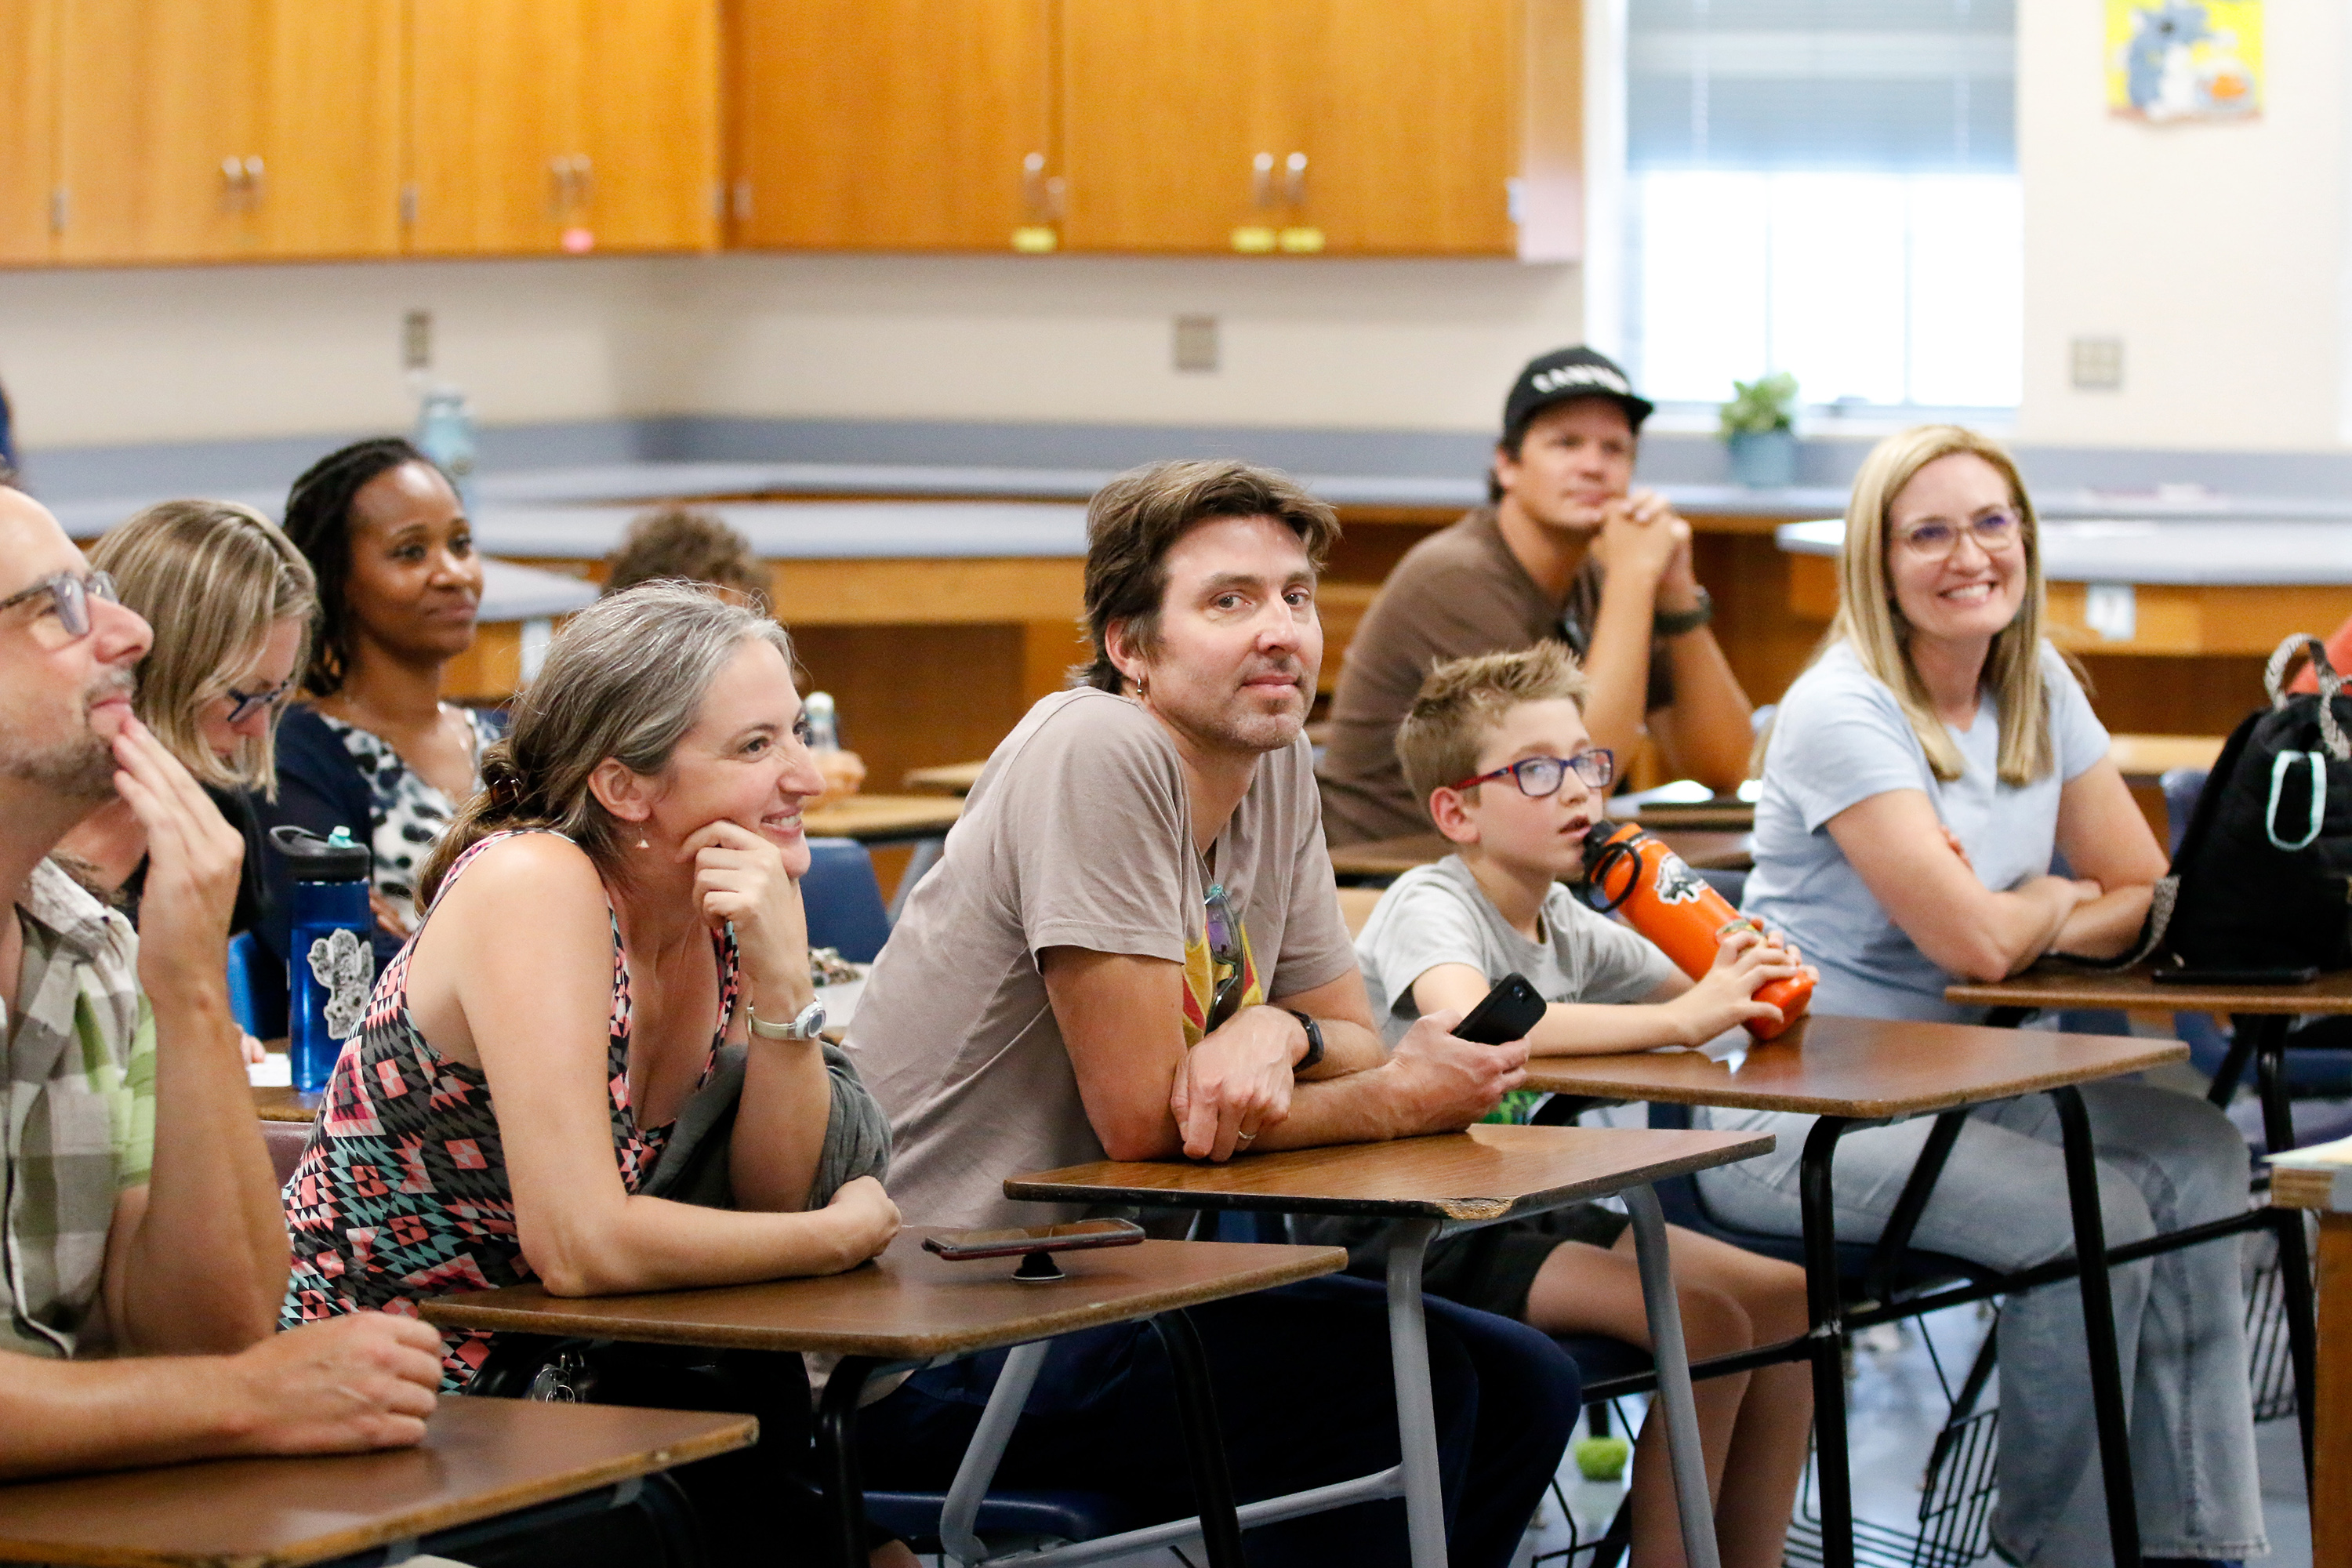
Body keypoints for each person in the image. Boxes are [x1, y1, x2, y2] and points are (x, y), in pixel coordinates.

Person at [848, 459, 1580, 1568]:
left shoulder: (1272, 761)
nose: (1279, 630)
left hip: (1096, 1299)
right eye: (1228, 601)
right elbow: (1151, 1121)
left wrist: (1277, 1029)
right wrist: (1398, 1101)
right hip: (942, 1340)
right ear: (1129, 647)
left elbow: (1350, 1034)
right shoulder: (1098, 748)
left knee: (1529, 1379)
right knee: (1409, 1393)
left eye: (1294, 595)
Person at [1711, 425, 2260, 1568]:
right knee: (2090, 1214)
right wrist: (2055, 898)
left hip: (1971, 1081)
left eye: (1991, 522)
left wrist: (2038, 900)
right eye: (1930, 533)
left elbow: (2143, 891)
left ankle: (2201, 1542)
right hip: (1804, 1110)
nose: (1970, 556)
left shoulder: (2035, 678)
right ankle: (2051, 1549)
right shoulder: (1840, 709)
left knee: (2202, 1152)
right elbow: (1968, 938)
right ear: (1879, 560)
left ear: (2026, 539)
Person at [278, 582, 905, 1563]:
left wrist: (783, 979)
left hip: (584, 1380)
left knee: (860, 1542)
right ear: (624, 786)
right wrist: (832, 1238)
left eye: (794, 734)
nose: (805, 777)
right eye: (755, 745)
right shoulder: (536, 882)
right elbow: (578, 1243)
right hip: (404, 1400)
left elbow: (763, 1195)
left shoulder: (714, 900)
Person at [1304, 642, 1811, 1568]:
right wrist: (1697, 1008)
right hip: (1407, 1226)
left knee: (1785, 1297)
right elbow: (1462, 1017)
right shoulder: (1432, 899)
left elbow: (1697, 998)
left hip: (1514, 1205)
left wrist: (1726, 957)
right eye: (1537, 770)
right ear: (1457, 809)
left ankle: (1752, 1555)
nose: (1579, 790)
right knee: (1708, 1322)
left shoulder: (1568, 918)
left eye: (1588, 761)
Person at [0, 477, 441, 1479]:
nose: (130, 635)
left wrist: (191, 983)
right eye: (58, 606)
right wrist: (246, 1400)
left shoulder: (93, 955)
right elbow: (235, 1374)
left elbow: (210, 1326)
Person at [1319, 346, 1755, 844]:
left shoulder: (1602, 576)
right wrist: (1634, 577)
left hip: (1515, 862)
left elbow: (1727, 765)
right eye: (1566, 443)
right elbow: (1573, 781)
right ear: (1507, 465)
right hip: (1393, 871)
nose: (1594, 466)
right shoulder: (1454, 578)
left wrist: (1676, 591)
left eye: (1614, 449)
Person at [267, 437, 495, 965]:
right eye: (411, 552)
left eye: (461, 544)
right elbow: (345, 956)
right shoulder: (295, 758)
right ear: (339, 581)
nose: (452, 574)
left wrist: (422, 941)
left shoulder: (513, 741)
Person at [56, 501, 314, 953]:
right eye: (242, 696)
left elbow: (204, 1016)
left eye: (273, 696)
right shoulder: (23, 811)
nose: (257, 729)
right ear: (153, 668)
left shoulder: (215, 824)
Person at [604, 504, 866, 801]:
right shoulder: (618, 726)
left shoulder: (793, 711)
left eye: (747, 623)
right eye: (711, 628)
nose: (740, 644)